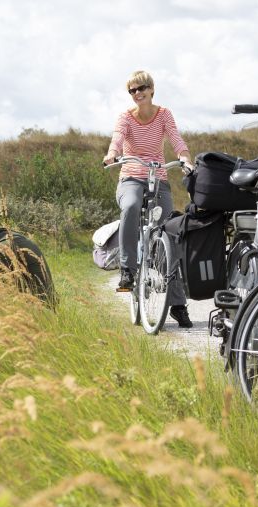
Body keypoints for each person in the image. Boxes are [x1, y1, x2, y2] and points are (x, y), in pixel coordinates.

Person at [102, 70, 194, 328]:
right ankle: (127, 270)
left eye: (141, 88)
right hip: (131, 178)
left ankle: (177, 305)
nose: (137, 93)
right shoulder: (125, 118)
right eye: (132, 90)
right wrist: (112, 154)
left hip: (159, 179)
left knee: (168, 234)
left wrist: (185, 158)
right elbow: (117, 139)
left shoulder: (164, 114)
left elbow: (176, 139)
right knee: (130, 206)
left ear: (152, 89)